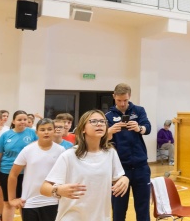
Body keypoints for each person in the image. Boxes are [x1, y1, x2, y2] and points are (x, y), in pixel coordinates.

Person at [41, 110, 129, 220]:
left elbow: (117, 179)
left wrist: (124, 179)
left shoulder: (110, 153)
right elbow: (44, 188)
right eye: (93, 121)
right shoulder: (69, 155)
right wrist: (58, 190)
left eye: (103, 121)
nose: (99, 124)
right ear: (83, 129)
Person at [106, 83, 152, 221]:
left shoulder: (138, 110)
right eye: (119, 100)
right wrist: (110, 131)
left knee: (143, 208)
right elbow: (103, 139)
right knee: (119, 209)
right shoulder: (107, 116)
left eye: (125, 100)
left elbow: (147, 127)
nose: (122, 103)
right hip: (119, 169)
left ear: (129, 96)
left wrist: (139, 128)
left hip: (141, 167)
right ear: (114, 97)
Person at [7, 118, 65, 220]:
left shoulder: (61, 150)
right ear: (37, 132)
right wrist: (12, 199)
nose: (46, 132)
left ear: (54, 131)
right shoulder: (27, 150)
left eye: (49, 129)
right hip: (30, 202)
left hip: (53, 202)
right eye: (42, 130)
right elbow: (13, 175)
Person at [0, 110, 38, 220]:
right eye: (19, 119)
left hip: (27, 174)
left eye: (25, 119)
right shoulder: (6, 135)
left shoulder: (33, 133)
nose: (22, 122)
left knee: (25, 203)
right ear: (13, 121)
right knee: (8, 202)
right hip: (7, 173)